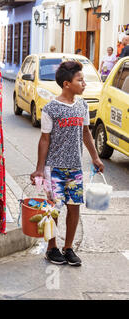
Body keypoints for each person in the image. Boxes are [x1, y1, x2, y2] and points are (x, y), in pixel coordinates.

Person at [30, 61, 105, 267]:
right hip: (53, 168)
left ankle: (68, 248)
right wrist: (39, 168)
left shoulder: (82, 105)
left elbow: (86, 133)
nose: (84, 84)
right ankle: (52, 248)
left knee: (74, 208)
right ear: (66, 84)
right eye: (80, 80)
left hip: (75, 168)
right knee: (53, 210)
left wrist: (95, 158)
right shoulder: (51, 108)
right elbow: (44, 139)